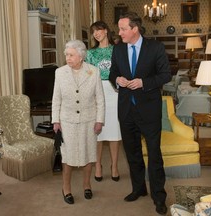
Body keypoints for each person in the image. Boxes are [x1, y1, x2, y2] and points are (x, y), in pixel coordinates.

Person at [109, 12, 171, 215]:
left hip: (149, 110)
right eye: (119, 29)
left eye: (123, 29)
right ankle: (138, 189)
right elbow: (112, 73)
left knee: (154, 155)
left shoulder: (155, 47)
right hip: (126, 110)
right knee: (132, 153)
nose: (119, 33)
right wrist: (117, 79)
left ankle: (159, 197)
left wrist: (144, 83)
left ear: (135, 29)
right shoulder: (117, 49)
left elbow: (165, 75)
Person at [51, 39, 105, 205]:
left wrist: (99, 120)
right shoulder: (59, 72)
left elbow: (100, 99)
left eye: (71, 55)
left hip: (89, 120)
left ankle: (87, 184)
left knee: (88, 154)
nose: (68, 58)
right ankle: (66, 187)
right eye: (66, 54)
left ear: (81, 56)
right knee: (68, 156)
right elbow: (56, 99)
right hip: (67, 121)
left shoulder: (94, 72)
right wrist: (55, 120)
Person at [85, 21, 122, 182]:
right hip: (97, 93)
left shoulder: (117, 50)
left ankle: (114, 165)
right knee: (98, 133)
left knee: (114, 132)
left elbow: (123, 70)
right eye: (93, 32)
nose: (96, 34)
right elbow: (87, 75)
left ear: (106, 31)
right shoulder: (90, 53)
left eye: (99, 30)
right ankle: (98, 165)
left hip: (115, 92)